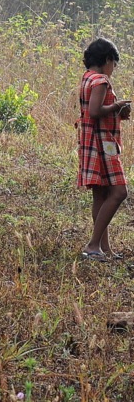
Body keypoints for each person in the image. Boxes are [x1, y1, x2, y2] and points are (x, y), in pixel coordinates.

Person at [77, 38, 131, 260]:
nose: (113, 70)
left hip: (91, 142)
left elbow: (95, 110)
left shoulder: (87, 78)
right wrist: (118, 106)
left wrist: (117, 112)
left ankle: (103, 249)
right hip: (104, 145)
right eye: (114, 65)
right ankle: (92, 245)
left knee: (100, 196)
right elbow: (96, 111)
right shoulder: (101, 80)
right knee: (119, 192)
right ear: (108, 59)